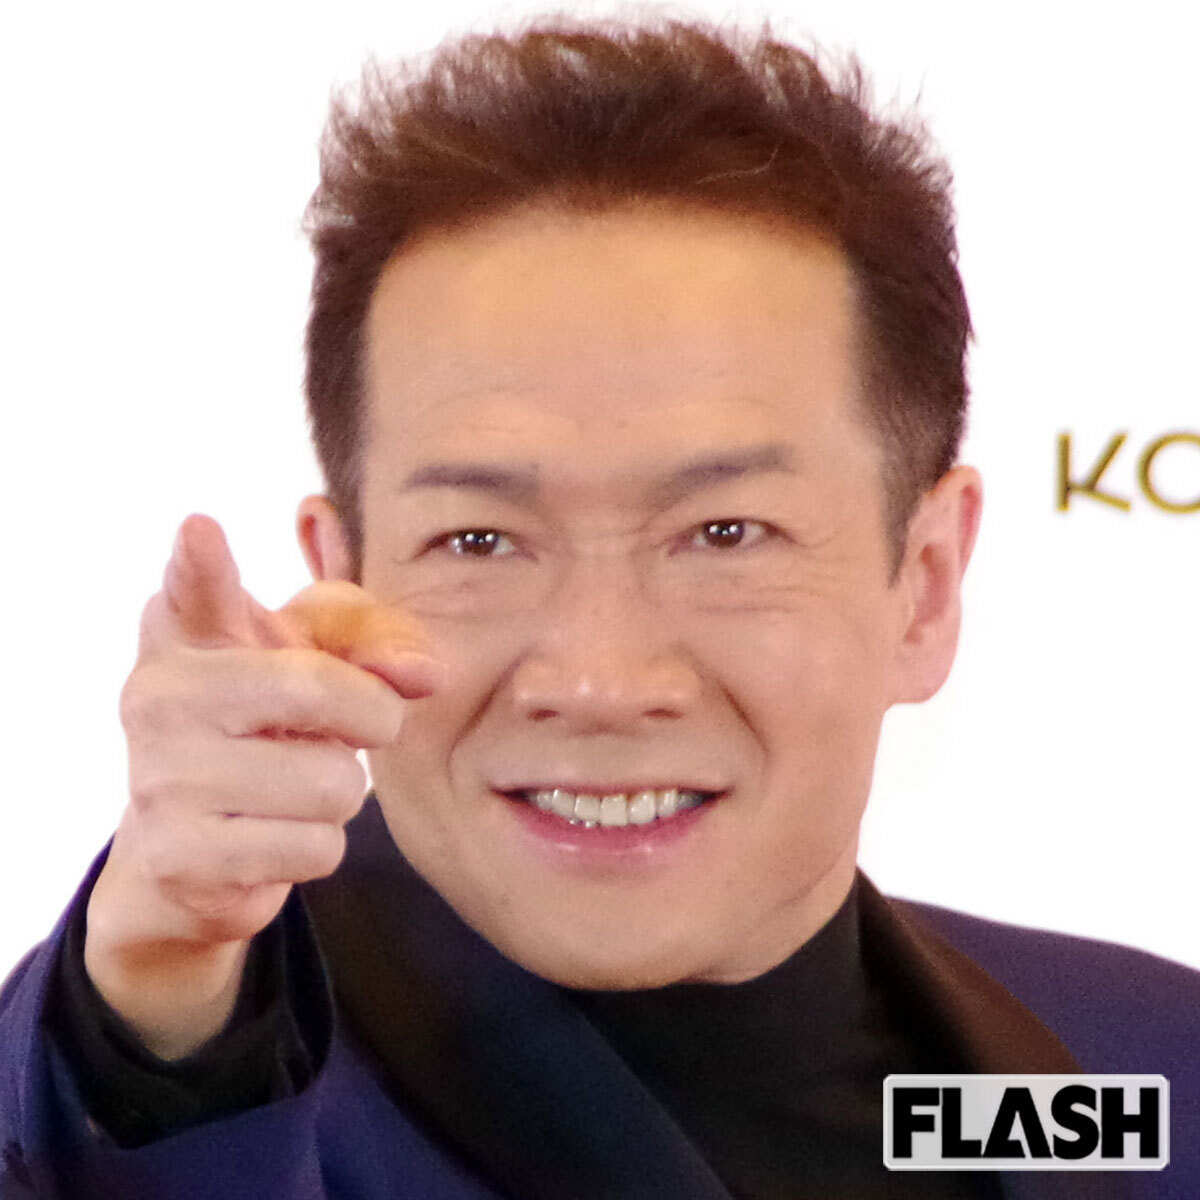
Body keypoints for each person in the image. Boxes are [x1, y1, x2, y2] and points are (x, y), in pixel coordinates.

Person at [1, 17, 1196, 1200]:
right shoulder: (201, 1078)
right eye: (478, 541)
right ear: (342, 584)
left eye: (726, 534)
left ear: (924, 587)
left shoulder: (1146, 1066)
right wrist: (153, 1031)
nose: (598, 678)